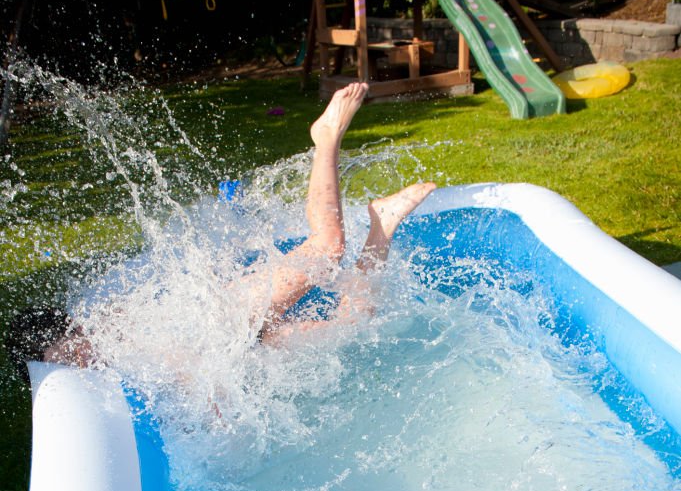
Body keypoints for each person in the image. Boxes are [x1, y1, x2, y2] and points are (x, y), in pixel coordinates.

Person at [2, 83, 435, 377]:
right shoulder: (94, 368)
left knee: (327, 249)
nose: (69, 362)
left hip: (231, 317)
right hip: (246, 352)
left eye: (57, 355)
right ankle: (381, 224)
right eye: (56, 363)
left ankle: (325, 137)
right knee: (357, 320)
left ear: (60, 335)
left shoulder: (104, 329)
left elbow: (177, 337)